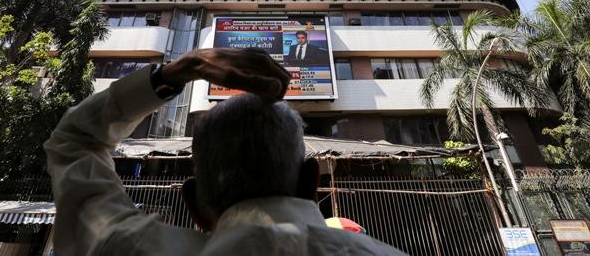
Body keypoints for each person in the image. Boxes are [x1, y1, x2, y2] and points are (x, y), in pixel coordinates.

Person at [44, 47, 407, 256]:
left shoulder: (131, 248)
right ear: (311, 182)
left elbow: (74, 141)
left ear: (192, 203)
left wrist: (184, 68)